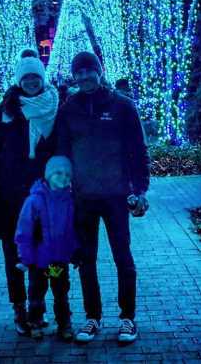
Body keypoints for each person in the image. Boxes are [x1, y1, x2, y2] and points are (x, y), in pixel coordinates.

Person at [55, 51, 150, 344]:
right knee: (86, 260)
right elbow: (62, 151)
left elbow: (138, 150)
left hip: (117, 196)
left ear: (99, 71)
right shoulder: (69, 108)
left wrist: (140, 190)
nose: (84, 76)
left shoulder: (122, 106)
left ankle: (127, 319)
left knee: (123, 257)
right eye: (79, 72)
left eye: (89, 71)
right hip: (83, 197)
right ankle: (92, 317)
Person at [0, 49, 59, 336]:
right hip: (9, 195)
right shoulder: (7, 109)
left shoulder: (55, 106)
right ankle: (19, 308)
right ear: (20, 79)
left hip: (42, 194)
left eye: (36, 76)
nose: (31, 81)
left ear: (42, 78)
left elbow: (63, 149)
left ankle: (37, 307)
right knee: (14, 256)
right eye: (26, 76)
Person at [14, 156, 77, 341]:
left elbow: (73, 230)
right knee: (37, 292)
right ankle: (35, 321)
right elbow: (24, 232)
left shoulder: (70, 199)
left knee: (60, 292)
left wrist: (74, 251)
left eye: (67, 174)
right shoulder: (34, 200)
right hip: (38, 261)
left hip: (57, 260)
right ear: (48, 175)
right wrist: (25, 258)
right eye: (58, 173)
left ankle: (64, 323)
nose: (63, 177)